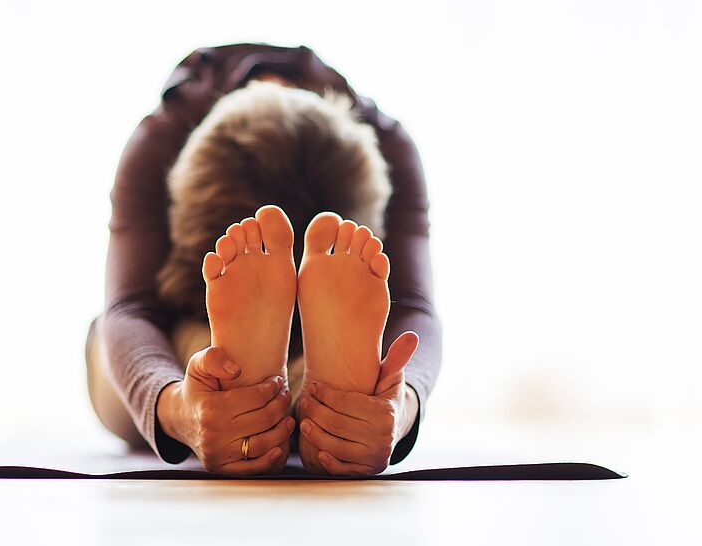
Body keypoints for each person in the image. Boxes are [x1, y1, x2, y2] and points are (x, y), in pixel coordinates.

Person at [85, 43, 441, 476]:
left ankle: (242, 384)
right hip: (183, 323)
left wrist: (399, 408)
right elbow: (132, 312)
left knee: (182, 356)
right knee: (164, 354)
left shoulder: (155, 136)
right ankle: (315, 404)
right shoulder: (162, 137)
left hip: (205, 337)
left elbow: (127, 309)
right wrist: (176, 406)